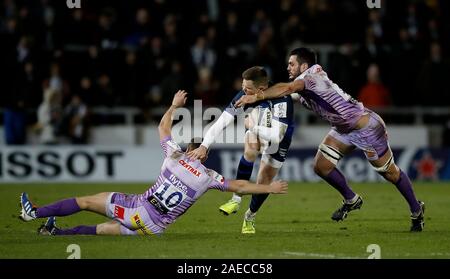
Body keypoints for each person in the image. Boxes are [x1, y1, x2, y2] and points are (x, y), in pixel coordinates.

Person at [19, 90, 288, 236]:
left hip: (138, 211)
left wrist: (173, 106)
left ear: (189, 148)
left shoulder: (175, 156)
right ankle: (56, 232)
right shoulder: (208, 177)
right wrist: (269, 189)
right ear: (203, 152)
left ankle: (36, 213)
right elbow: (240, 185)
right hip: (154, 228)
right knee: (101, 230)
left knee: (86, 202)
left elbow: (162, 127)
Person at [236, 48, 425, 232]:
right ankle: (351, 199)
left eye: (291, 64)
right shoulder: (305, 85)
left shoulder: (309, 77)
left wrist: (257, 96)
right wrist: (261, 99)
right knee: (321, 166)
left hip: (366, 128)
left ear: (304, 66)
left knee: (390, 173)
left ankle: (416, 211)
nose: (288, 68)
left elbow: (287, 88)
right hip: (343, 130)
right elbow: (288, 95)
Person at [187, 66, 294, 234]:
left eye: (247, 88)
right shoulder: (243, 96)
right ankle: (236, 199)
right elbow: (220, 123)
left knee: (264, 182)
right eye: (243, 86)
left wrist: (253, 126)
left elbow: (276, 136)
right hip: (256, 132)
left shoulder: (281, 100)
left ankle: (250, 216)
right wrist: (204, 146)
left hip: (278, 139)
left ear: (261, 89)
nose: (243, 91)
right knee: (251, 148)